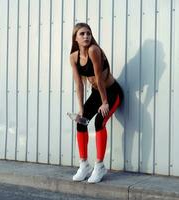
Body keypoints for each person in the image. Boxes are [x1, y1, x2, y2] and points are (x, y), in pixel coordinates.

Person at [69, 23, 123, 183]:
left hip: (112, 92)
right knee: (81, 121)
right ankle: (84, 164)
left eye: (89, 34)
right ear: (75, 38)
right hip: (96, 94)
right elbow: (79, 83)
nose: (86, 36)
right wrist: (80, 109)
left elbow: (99, 78)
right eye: (82, 34)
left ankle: (99, 166)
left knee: (99, 121)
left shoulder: (94, 50)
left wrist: (105, 102)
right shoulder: (73, 57)